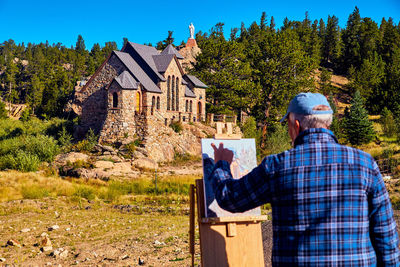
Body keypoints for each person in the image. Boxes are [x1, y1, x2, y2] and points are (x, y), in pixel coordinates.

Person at [210, 92, 400, 266]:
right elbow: (385, 234)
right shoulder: (365, 164)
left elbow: (230, 198)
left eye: (288, 126)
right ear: (328, 124)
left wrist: (221, 165)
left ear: (296, 126)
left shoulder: (276, 166)